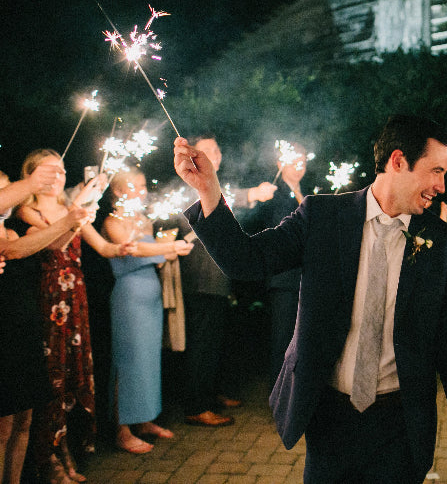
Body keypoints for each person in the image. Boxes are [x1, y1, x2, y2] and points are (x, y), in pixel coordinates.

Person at [173, 115, 447, 483]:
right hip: (328, 416)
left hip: (400, 425)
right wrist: (208, 190)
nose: (441, 185)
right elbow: (247, 261)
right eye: (436, 170)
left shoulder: (445, 244)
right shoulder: (322, 217)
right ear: (398, 161)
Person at [15, 150, 133, 483]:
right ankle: (47, 459)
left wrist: (123, 247)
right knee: (52, 379)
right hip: (49, 301)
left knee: (72, 376)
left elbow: (102, 247)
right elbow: (57, 242)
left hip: (76, 299)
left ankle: (66, 449)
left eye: (62, 170)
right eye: (50, 170)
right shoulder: (28, 209)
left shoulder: (72, 209)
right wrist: (80, 207)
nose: (59, 176)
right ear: (32, 175)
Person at [177, 135, 276, 427]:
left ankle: (212, 393)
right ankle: (196, 406)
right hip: (202, 278)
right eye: (207, 150)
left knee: (216, 341)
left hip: (218, 277)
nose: (215, 155)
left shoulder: (214, 183)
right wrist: (253, 194)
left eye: (217, 149)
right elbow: (219, 199)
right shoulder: (191, 181)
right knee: (203, 343)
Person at [0, 169, 91, 484]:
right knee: (4, 425)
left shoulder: (10, 229)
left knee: (24, 418)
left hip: (25, 319)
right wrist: (33, 185)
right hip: (10, 322)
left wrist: (75, 213)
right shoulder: (21, 222)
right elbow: (11, 250)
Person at [102, 167, 194, 453]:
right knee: (127, 361)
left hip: (150, 294)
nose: (143, 190)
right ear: (117, 190)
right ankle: (122, 429)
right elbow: (131, 250)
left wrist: (175, 249)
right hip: (128, 297)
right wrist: (166, 248)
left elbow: (155, 258)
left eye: (144, 184)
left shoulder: (144, 220)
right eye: (135, 185)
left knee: (148, 360)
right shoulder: (112, 221)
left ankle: (144, 419)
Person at [241, 141, 307, 390]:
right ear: (280, 164)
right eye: (293, 160)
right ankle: (279, 395)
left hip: (305, 278)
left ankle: (297, 392)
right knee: (283, 340)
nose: (299, 165)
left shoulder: (310, 193)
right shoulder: (273, 193)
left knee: (302, 339)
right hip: (283, 277)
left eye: (303, 161)